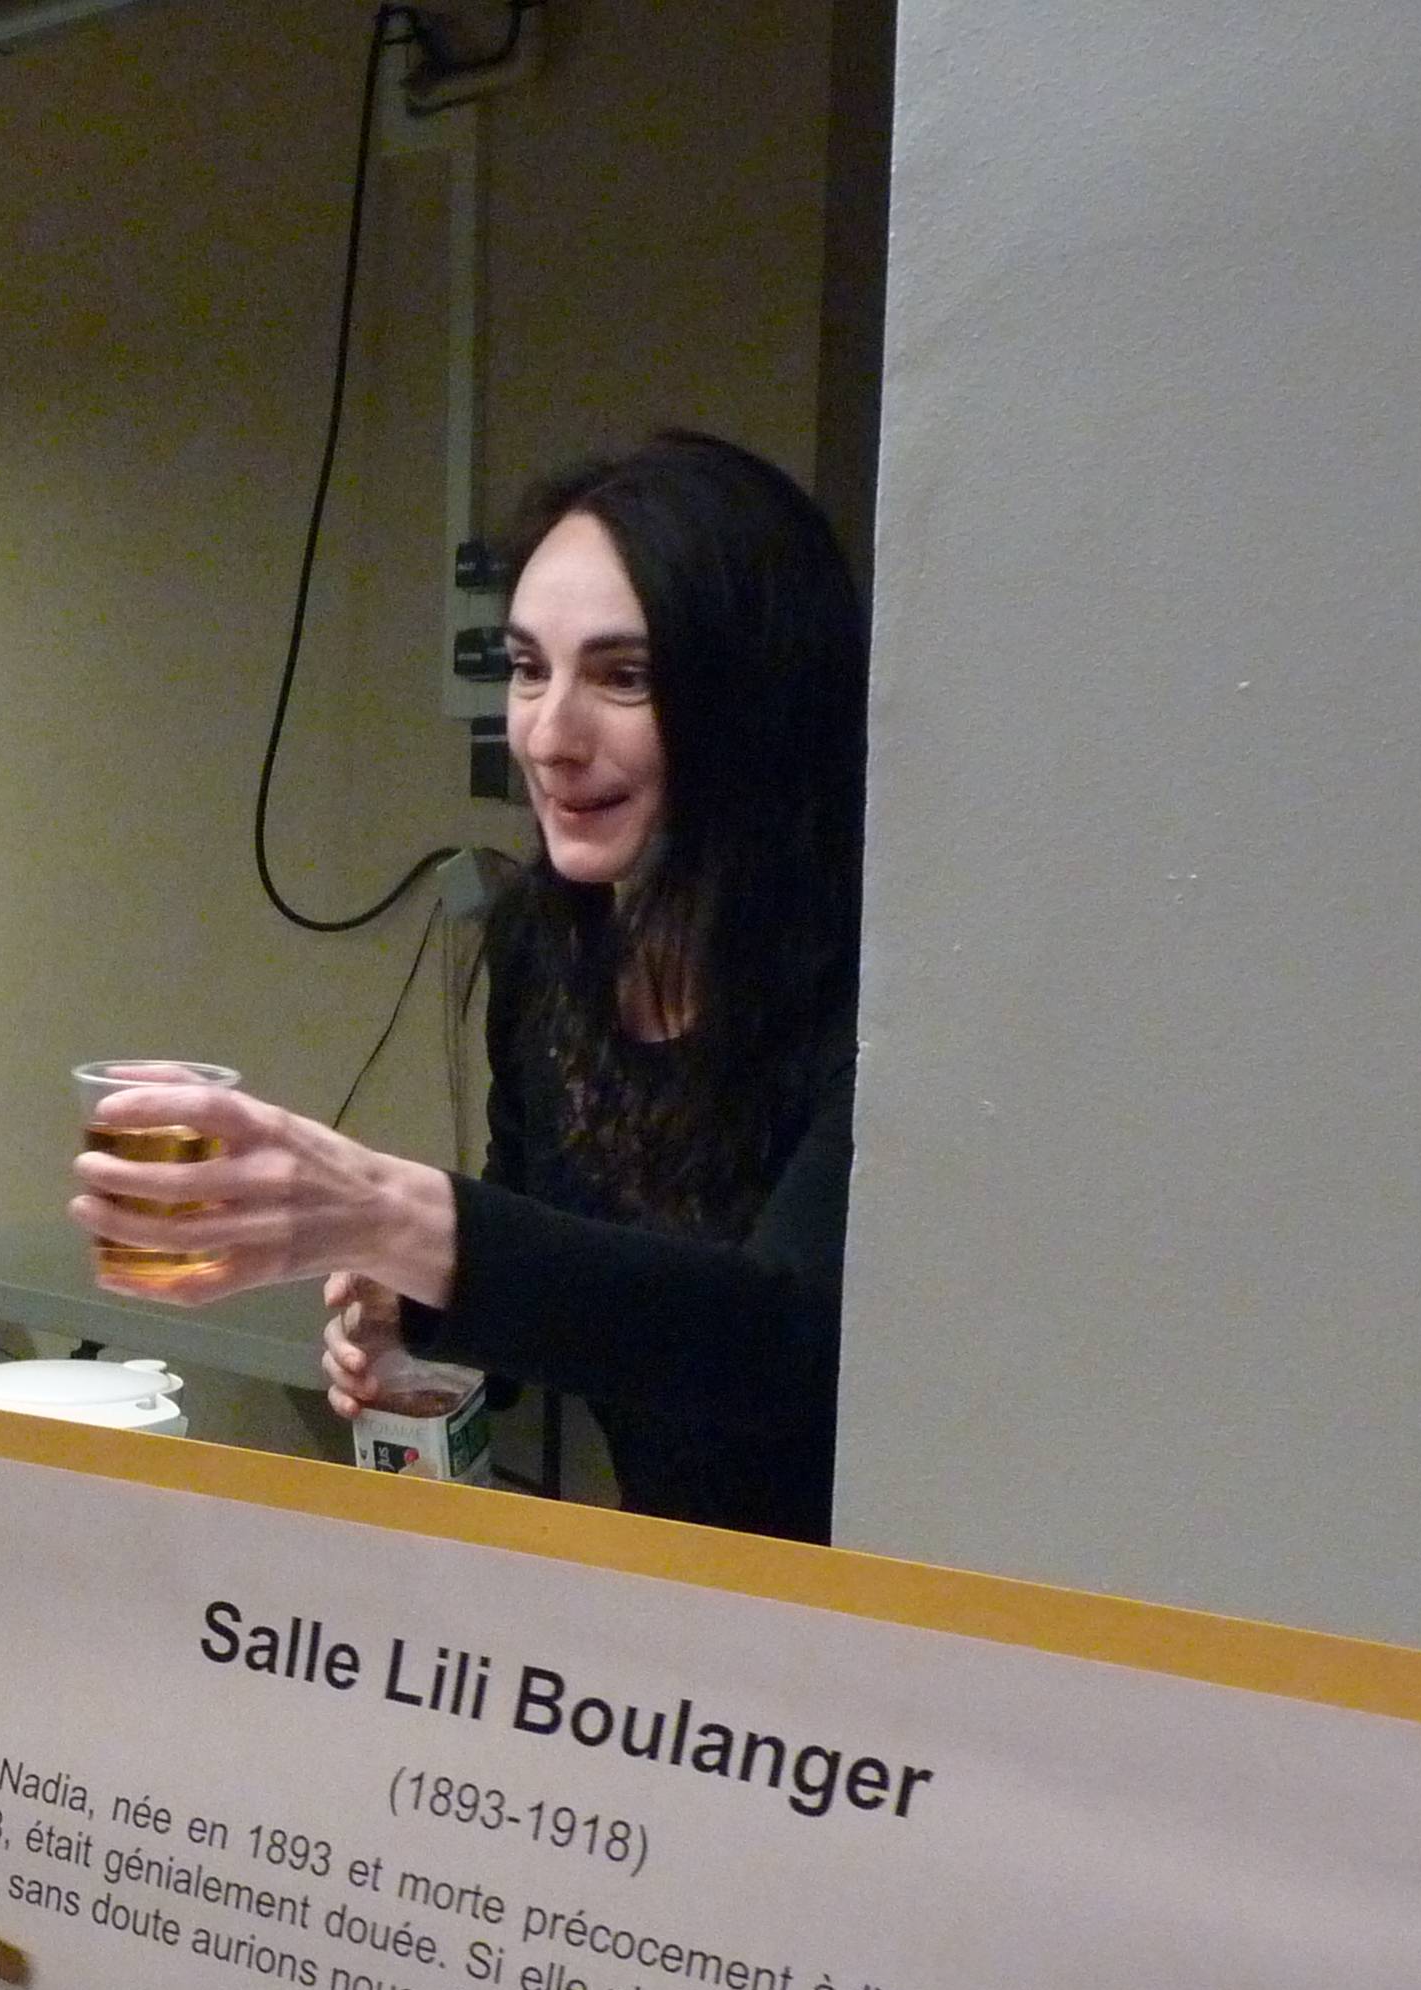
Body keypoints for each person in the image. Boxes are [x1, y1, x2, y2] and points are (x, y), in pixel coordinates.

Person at [70, 431, 867, 1540]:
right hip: (677, 1588)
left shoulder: (887, 982)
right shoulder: (548, 945)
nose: (549, 735)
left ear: (761, 697)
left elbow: (786, 1348)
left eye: (623, 677)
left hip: (909, 1595)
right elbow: (567, 1264)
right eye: (529, 668)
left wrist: (395, 1215)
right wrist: (424, 1326)